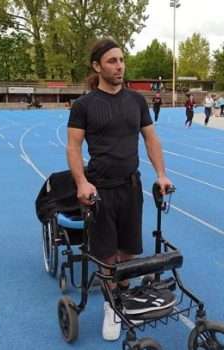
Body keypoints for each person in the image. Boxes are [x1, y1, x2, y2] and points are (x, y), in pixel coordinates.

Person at [66, 38, 173, 342]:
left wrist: (161, 174)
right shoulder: (84, 106)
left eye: (122, 60)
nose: (119, 66)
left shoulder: (137, 101)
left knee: (128, 250)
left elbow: (151, 140)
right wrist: (81, 182)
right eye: (112, 61)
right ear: (97, 66)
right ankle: (111, 307)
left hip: (131, 186)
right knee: (106, 253)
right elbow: (73, 147)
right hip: (100, 190)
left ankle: (122, 296)